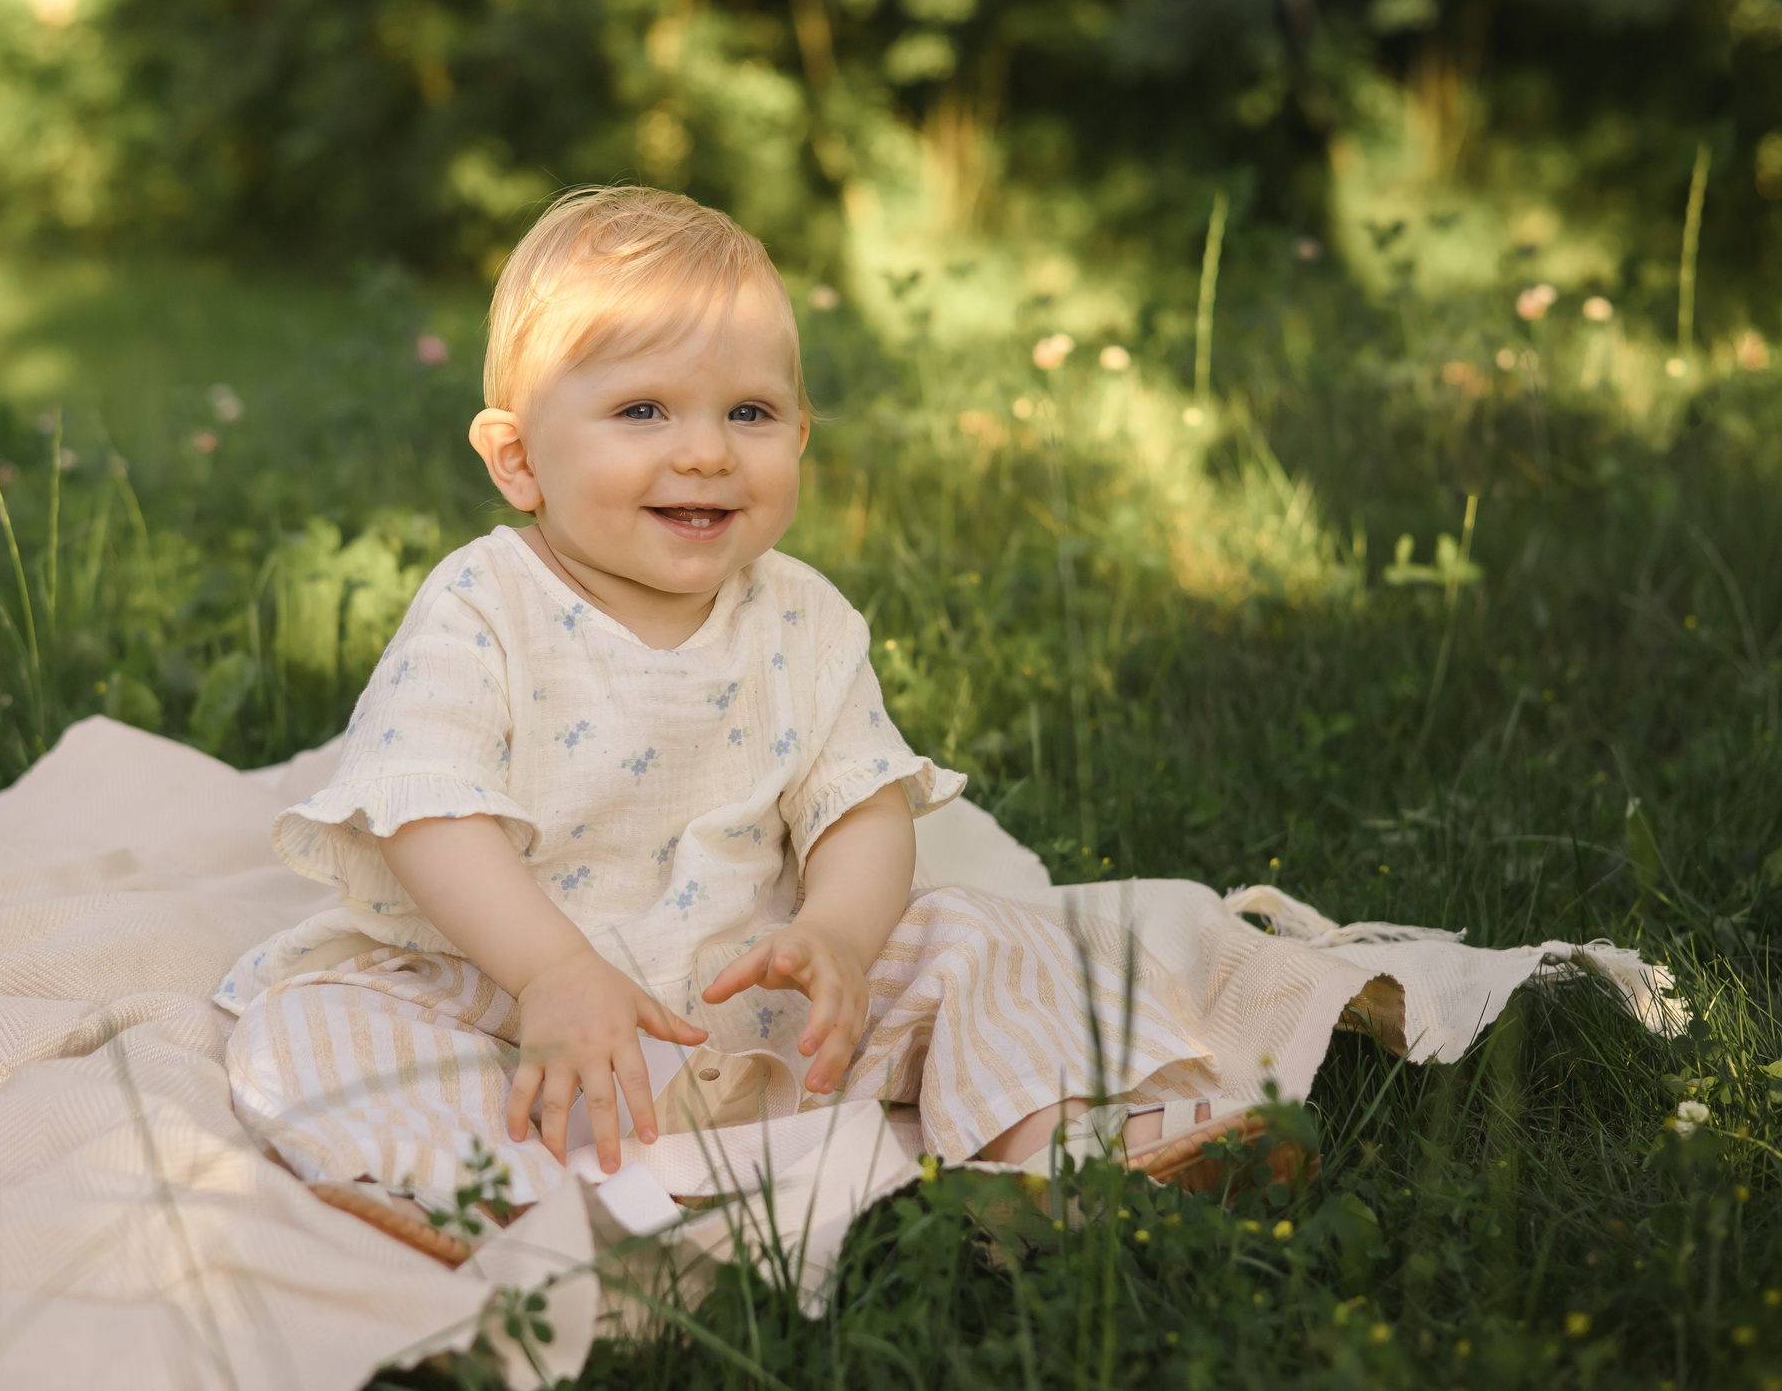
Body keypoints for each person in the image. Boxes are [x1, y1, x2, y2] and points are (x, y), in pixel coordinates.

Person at [216, 186, 1244, 1257]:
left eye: (748, 413)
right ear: (518, 458)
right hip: (509, 1003)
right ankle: (479, 1196)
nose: (706, 452)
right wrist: (549, 975)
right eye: (642, 411)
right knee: (316, 1033)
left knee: (982, 935)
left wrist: (839, 940)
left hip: (750, 1009)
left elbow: (858, 802)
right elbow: (426, 811)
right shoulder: (485, 608)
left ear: (799, 432)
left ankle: (1054, 1155)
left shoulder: (801, 616)